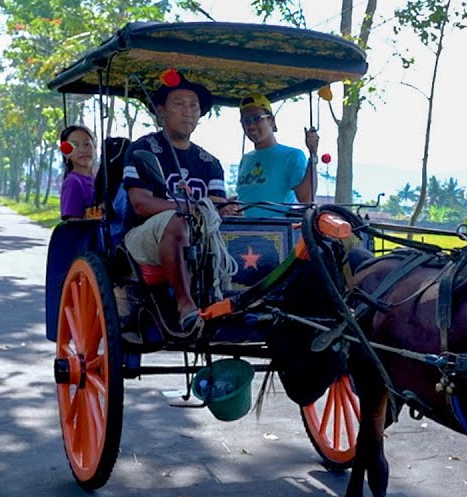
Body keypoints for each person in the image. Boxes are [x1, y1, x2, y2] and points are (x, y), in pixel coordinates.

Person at [120, 76, 236, 332]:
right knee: (177, 219)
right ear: (161, 110)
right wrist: (186, 208)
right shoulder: (143, 149)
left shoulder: (209, 162)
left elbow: (216, 204)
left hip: (199, 238)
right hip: (144, 238)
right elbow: (140, 204)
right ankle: (186, 307)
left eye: (194, 106)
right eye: (179, 104)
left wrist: (226, 208)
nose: (188, 112)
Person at [234, 94, 319, 218]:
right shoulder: (245, 159)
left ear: (271, 121)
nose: (251, 126)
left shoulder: (292, 155)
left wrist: (313, 154)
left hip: (276, 232)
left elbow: (306, 199)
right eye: (246, 121)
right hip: (241, 231)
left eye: (257, 118)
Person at [58, 125, 96, 220]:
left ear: (94, 146)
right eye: (75, 145)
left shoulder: (100, 179)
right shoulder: (73, 182)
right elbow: (74, 224)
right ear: (66, 153)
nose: (82, 150)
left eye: (86, 144)